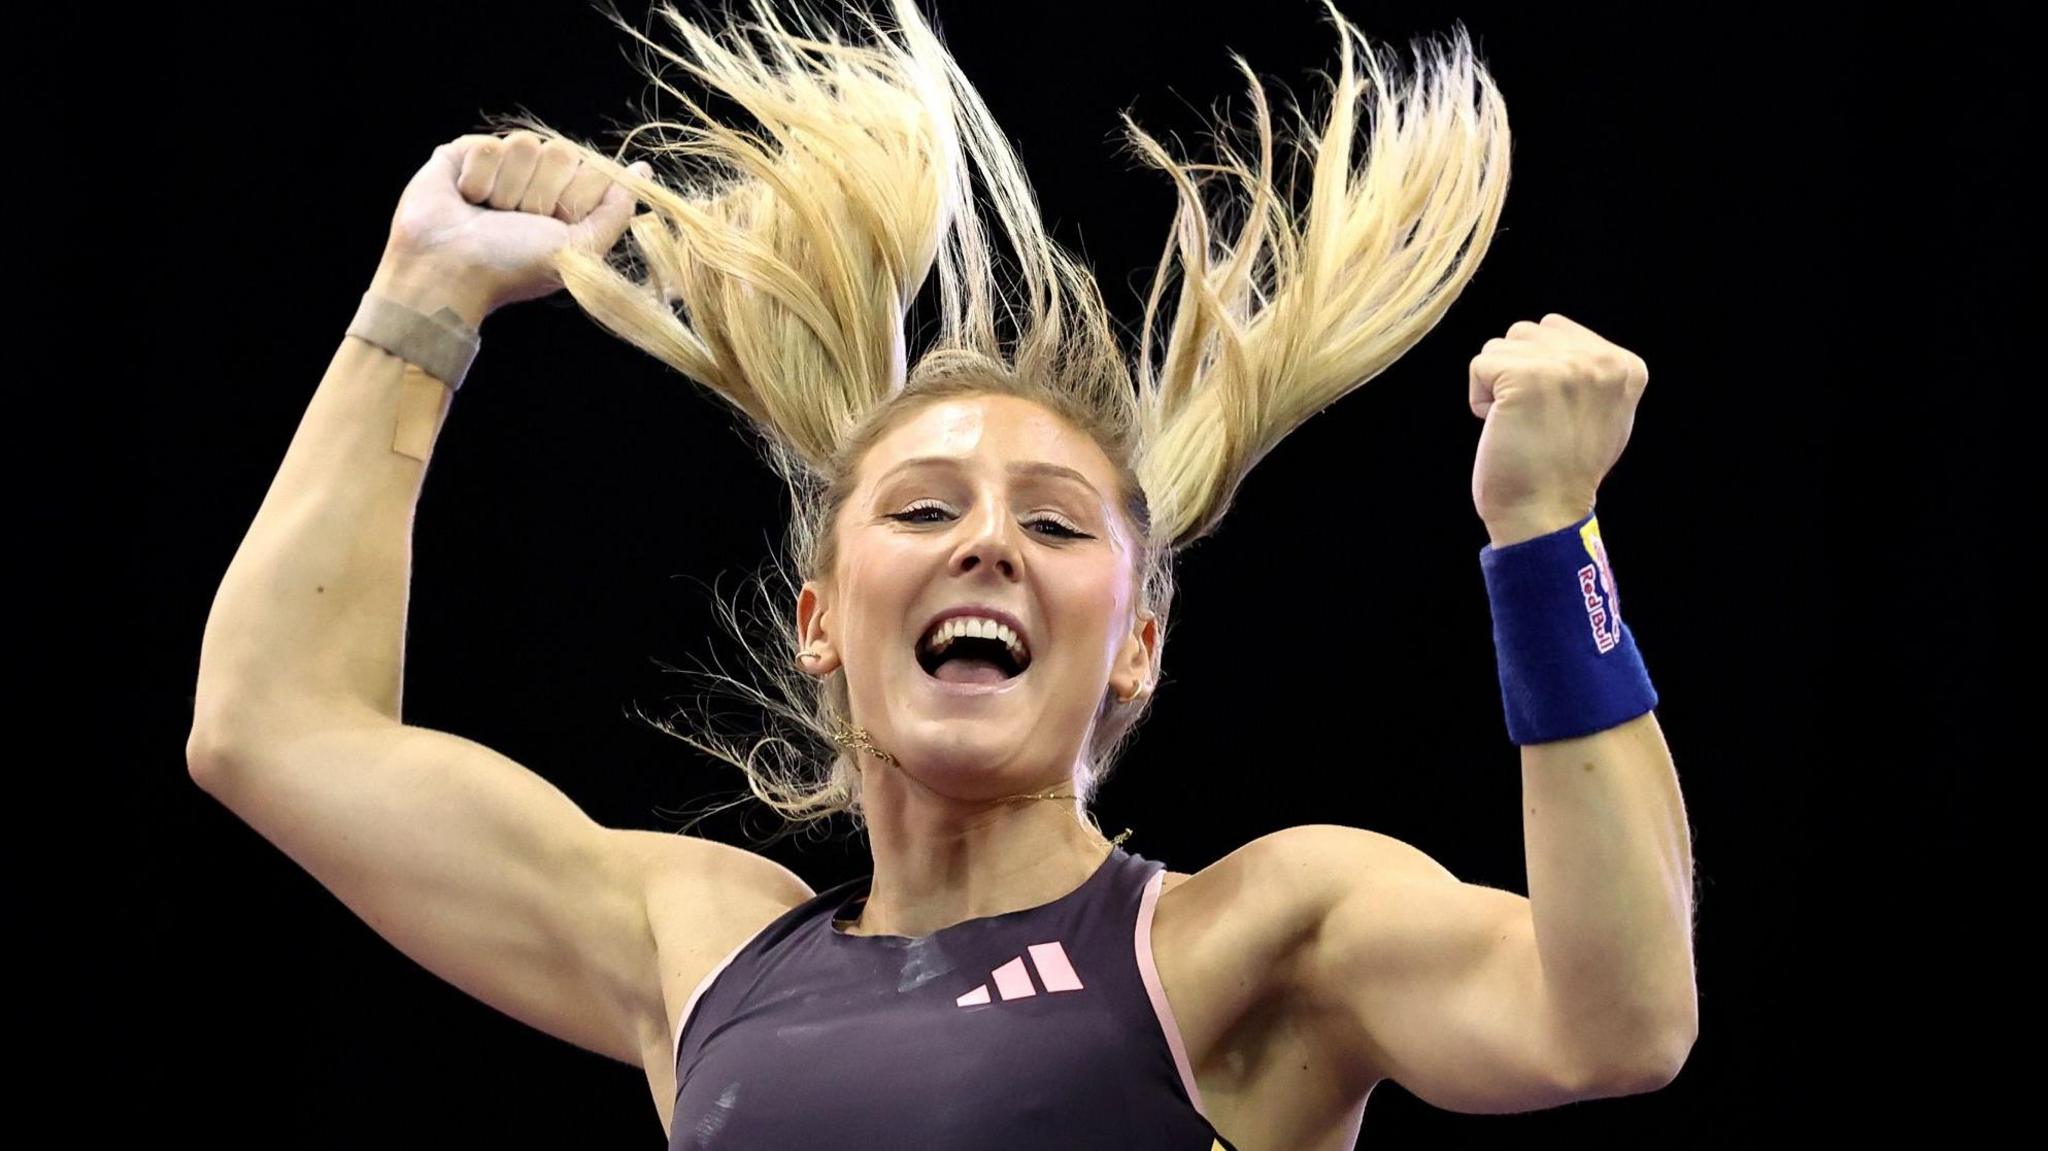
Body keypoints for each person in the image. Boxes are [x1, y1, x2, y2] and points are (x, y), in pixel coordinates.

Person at [185, 1, 1697, 1146]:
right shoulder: (698, 949)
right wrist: (421, 298)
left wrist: (1546, 538)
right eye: (921, 512)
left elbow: (1613, 1020)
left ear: (1139, 647)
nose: (985, 539)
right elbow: (274, 729)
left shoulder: (1249, 941)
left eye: (1051, 524)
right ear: (823, 622)